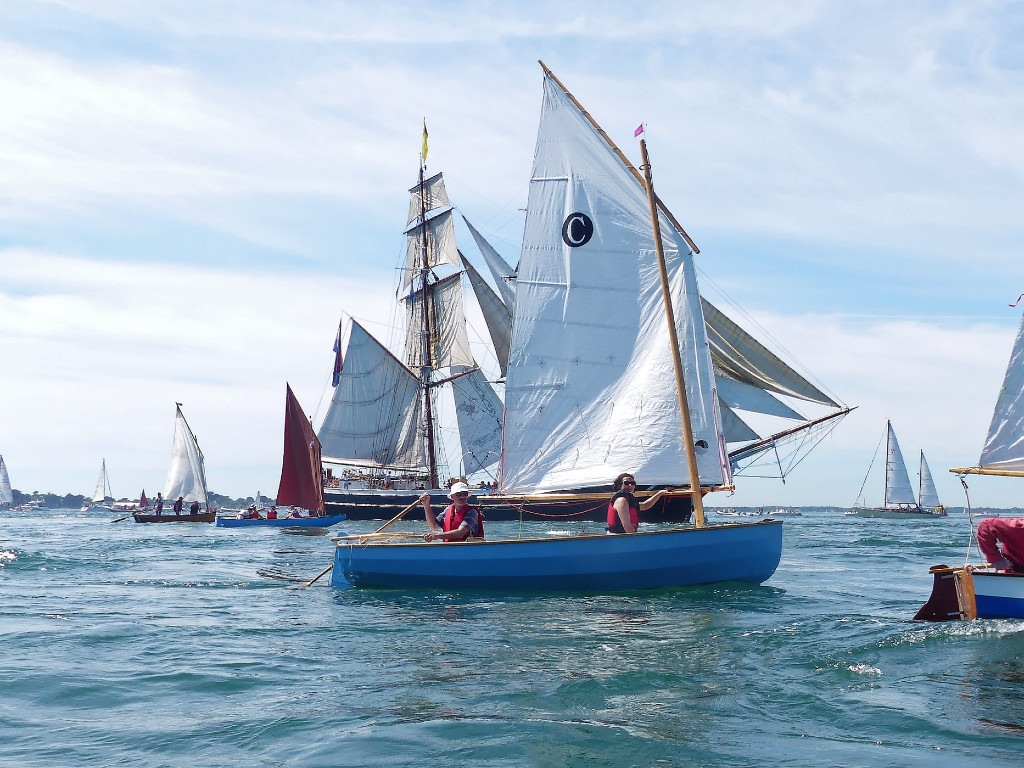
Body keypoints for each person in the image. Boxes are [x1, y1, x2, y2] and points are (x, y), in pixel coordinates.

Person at [606, 473, 672, 534]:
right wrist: (636, 541)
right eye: (626, 483)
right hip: (619, 537)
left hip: (626, 535)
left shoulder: (628, 501)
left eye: (632, 483)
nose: (630, 485)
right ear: (619, 485)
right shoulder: (621, 500)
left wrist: (660, 493)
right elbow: (627, 525)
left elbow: (646, 505)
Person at [420, 482, 484, 542]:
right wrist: (426, 505)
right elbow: (434, 526)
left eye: (465, 494)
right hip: (450, 549)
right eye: (458, 494)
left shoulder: (472, 512)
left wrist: (436, 536)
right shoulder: (448, 510)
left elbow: (460, 533)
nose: (462, 496)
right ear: (452, 496)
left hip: (466, 549)